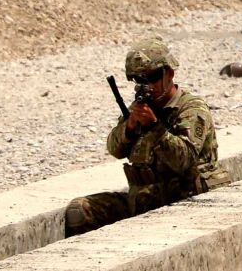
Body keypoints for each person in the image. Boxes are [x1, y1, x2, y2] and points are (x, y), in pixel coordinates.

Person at [64, 37, 229, 236]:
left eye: (151, 77)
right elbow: (115, 149)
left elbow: (183, 159)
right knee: (79, 210)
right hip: (144, 201)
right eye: (139, 80)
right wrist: (130, 128)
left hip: (184, 202)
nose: (147, 86)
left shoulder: (191, 109)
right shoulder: (142, 109)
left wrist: (155, 127)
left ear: (168, 73)